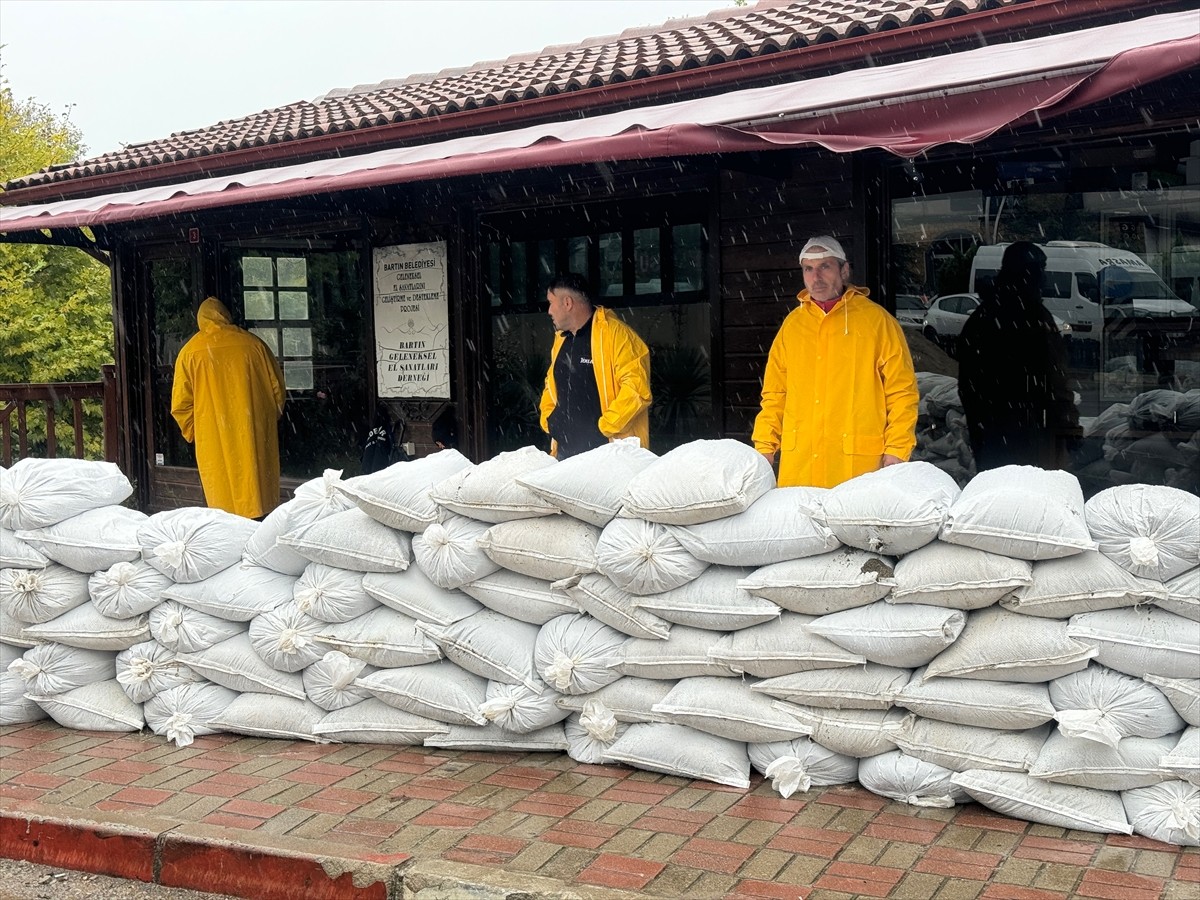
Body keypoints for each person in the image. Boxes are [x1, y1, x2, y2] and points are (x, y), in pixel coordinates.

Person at [751, 236, 919, 488]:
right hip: (801, 465)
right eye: (808, 268)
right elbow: (775, 393)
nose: (815, 277)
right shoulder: (792, 326)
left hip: (857, 466)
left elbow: (902, 392)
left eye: (825, 266)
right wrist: (765, 446)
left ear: (844, 270)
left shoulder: (877, 322)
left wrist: (897, 449)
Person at [958, 241, 1080, 470]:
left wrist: (982, 427)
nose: (1044, 280)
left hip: (996, 436)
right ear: (1028, 274)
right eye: (1040, 271)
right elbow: (1055, 382)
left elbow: (968, 385)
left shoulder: (983, 317)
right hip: (1029, 436)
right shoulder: (1032, 319)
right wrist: (1068, 428)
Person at [171, 296, 287, 518]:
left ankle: (227, 533)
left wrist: (196, 430)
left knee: (221, 495)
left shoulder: (190, 352)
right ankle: (259, 527)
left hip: (212, 434)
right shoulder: (254, 345)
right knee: (256, 488)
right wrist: (267, 419)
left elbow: (180, 404)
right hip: (252, 429)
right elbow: (277, 391)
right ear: (227, 316)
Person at [538, 273, 652, 458]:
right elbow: (550, 384)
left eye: (551, 303)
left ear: (567, 303)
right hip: (565, 456)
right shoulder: (561, 340)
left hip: (608, 457)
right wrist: (549, 420)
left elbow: (636, 389)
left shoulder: (617, 335)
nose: (549, 311)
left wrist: (604, 427)